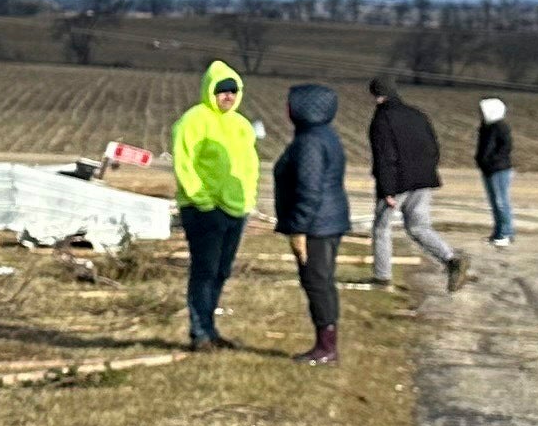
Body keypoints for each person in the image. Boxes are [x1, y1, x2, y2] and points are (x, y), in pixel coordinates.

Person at [168, 59, 259, 350]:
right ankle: (200, 333)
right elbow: (184, 164)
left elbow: (249, 166)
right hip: (204, 210)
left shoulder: (242, 125)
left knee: (221, 271)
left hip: (236, 209)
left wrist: (248, 200)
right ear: (210, 90)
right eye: (222, 90)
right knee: (205, 270)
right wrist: (202, 201)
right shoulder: (192, 121)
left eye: (233, 90)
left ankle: (210, 328)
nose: (228, 96)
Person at [271, 82, 350, 364]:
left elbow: (309, 188)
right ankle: (326, 343)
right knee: (321, 281)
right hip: (327, 220)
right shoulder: (323, 135)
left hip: (317, 225)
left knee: (317, 282)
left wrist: (299, 228)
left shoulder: (309, 142)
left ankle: (326, 347)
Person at [364, 77, 466, 290]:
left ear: (377, 96)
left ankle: (382, 277)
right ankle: (450, 259)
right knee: (419, 227)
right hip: (423, 180)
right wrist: (425, 172)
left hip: (397, 183)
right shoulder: (418, 115)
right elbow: (433, 148)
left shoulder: (382, 119)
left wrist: (387, 190)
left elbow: (384, 156)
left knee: (381, 228)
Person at [477, 97, 517, 245]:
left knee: (501, 202)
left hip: (498, 169)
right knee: (495, 202)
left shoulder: (500, 127)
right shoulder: (486, 127)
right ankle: (498, 232)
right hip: (489, 169)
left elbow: (504, 148)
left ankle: (505, 233)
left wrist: (490, 162)